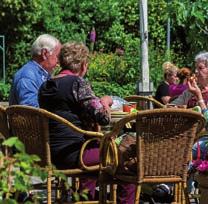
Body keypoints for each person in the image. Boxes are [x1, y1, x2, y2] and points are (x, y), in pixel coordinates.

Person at [38, 42, 134, 203]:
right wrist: (105, 101)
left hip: (50, 153)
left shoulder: (45, 86)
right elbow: (103, 118)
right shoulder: (77, 83)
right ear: (83, 65)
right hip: (76, 153)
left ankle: (85, 199)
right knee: (127, 161)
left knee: (95, 149)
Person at [9, 34, 61, 107]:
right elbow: (30, 112)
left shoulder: (41, 74)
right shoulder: (27, 76)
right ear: (45, 54)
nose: (58, 61)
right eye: (57, 56)